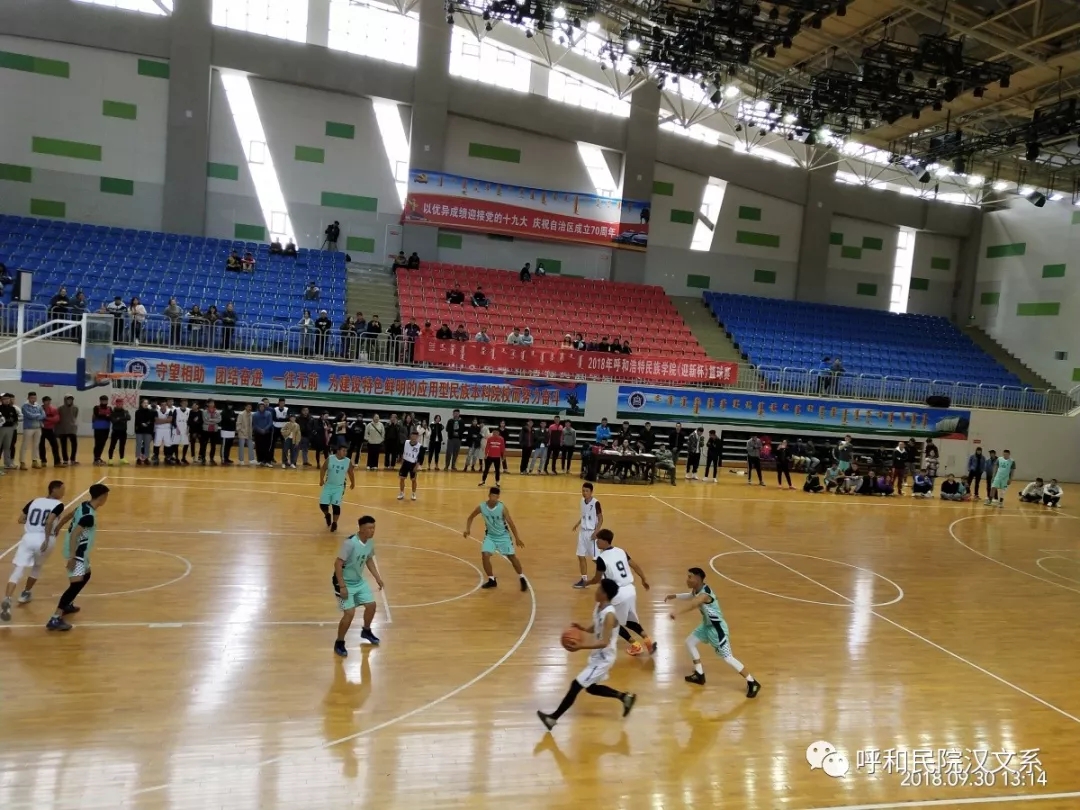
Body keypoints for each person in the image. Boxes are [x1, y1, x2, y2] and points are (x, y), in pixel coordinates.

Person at [536, 579, 637, 730]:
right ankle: (625, 698)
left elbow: (605, 642)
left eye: (599, 589)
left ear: (605, 594)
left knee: (576, 685)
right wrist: (582, 628)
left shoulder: (609, 615)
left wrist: (580, 646)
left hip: (604, 658)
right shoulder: (599, 606)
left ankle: (552, 719)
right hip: (597, 655)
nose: (596, 591)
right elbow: (597, 626)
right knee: (590, 688)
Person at [665, 567, 761, 696]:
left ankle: (752, 682)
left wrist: (676, 612)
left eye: (689, 577)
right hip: (706, 626)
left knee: (728, 658)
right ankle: (699, 674)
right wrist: (674, 596)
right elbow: (690, 596)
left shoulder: (705, 594)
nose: (687, 579)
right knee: (689, 643)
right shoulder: (697, 590)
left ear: (698, 579)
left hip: (717, 630)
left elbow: (694, 603)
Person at [46, 482, 110, 631]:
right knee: (75, 585)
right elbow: (75, 534)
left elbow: (70, 514)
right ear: (102, 497)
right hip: (77, 552)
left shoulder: (84, 505)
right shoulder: (89, 516)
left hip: (80, 551)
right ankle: (55, 618)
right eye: (106, 496)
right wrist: (72, 558)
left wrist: (59, 526)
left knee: (86, 575)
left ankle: (67, 605)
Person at [2, 480, 66, 622]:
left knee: (18, 569)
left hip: (28, 538)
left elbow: (21, 519)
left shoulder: (34, 501)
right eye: (62, 489)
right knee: (37, 566)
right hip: (44, 538)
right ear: (54, 490)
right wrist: (47, 539)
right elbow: (49, 522)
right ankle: (25, 593)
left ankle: (7, 598)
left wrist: (33, 522)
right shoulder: (58, 505)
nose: (64, 492)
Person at [589, 529, 657, 656]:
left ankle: (635, 645)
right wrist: (643, 579)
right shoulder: (621, 551)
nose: (596, 542)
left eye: (598, 539)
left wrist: (587, 583)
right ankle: (648, 641)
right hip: (631, 590)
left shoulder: (601, 558)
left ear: (605, 541)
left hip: (618, 593)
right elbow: (635, 565)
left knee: (611, 621)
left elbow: (597, 579)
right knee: (629, 620)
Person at [333, 515, 384, 657]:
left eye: (374, 528)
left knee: (371, 605)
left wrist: (377, 578)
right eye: (369, 528)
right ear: (361, 529)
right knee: (349, 614)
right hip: (343, 583)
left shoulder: (369, 542)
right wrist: (342, 586)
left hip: (358, 581)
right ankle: (339, 642)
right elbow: (337, 564)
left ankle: (366, 631)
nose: (372, 531)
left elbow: (369, 560)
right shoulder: (350, 543)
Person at [464, 487, 527, 591]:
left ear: (498, 497)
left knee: (511, 557)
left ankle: (522, 577)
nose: (494, 498)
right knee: (485, 555)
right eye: (492, 496)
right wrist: (467, 530)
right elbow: (470, 517)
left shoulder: (502, 508)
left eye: (496, 497)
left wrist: (517, 538)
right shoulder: (482, 507)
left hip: (503, 536)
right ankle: (492, 580)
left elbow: (511, 523)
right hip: (490, 536)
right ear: (489, 495)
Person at [571, 482, 603, 588]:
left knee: (595, 558)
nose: (584, 493)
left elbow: (601, 519)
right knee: (580, 555)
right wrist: (578, 523)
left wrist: (596, 532)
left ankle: (606, 575)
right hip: (582, 532)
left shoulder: (596, 503)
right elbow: (584, 515)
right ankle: (584, 580)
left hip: (591, 533)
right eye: (583, 491)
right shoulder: (582, 501)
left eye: (587, 491)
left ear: (591, 492)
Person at [320, 444, 356, 532]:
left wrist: (353, 482)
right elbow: (323, 469)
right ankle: (327, 515)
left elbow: (351, 473)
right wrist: (321, 480)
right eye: (343, 450)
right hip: (328, 485)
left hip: (339, 487)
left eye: (346, 451)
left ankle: (334, 523)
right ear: (338, 451)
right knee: (323, 505)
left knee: (336, 506)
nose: (345, 452)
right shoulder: (330, 458)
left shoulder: (347, 461)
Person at [397, 429, 422, 501]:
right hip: (405, 463)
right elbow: (401, 451)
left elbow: (420, 458)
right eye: (412, 436)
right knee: (402, 478)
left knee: (413, 480)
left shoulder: (420, 446)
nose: (414, 437)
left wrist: (417, 466)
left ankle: (413, 493)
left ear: (417, 437)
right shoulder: (406, 442)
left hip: (413, 464)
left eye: (415, 436)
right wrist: (401, 459)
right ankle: (401, 493)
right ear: (410, 436)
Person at [108, 399, 130, 465]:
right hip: (115, 431)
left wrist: (119, 418)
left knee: (122, 446)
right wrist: (122, 419)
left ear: (122, 404)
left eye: (121, 404)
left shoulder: (125, 411)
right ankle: (110, 459)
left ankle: (122, 459)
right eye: (118, 404)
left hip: (123, 431)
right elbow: (113, 421)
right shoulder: (112, 412)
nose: (120, 405)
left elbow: (128, 417)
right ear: (116, 404)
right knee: (112, 446)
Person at [253, 402, 274, 467]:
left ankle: (267, 461)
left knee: (267, 447)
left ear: (264, 407)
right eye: (260, 406)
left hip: (267, 433)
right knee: (259, 447)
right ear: (258, 407)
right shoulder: (255, 415)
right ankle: (260, 460)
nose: (262, 408)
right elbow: (254, 424)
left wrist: (265, 429)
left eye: (263, 406)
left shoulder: (269, 413)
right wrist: (260, 430)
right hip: (258, 433)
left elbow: (270, 423)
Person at [173, 399, 192, 465]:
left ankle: (183, 458)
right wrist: (176, 428)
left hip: (185, 427)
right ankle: (176, 458)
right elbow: (173, 420)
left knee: (186, 444)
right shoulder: (176, 410)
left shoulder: (189, 410)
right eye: (183, 402)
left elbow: (190, 421)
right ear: (181, 403)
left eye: (186, 402)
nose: (185, 404)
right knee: (176, 443)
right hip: (177, 427)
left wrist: (188, 428)